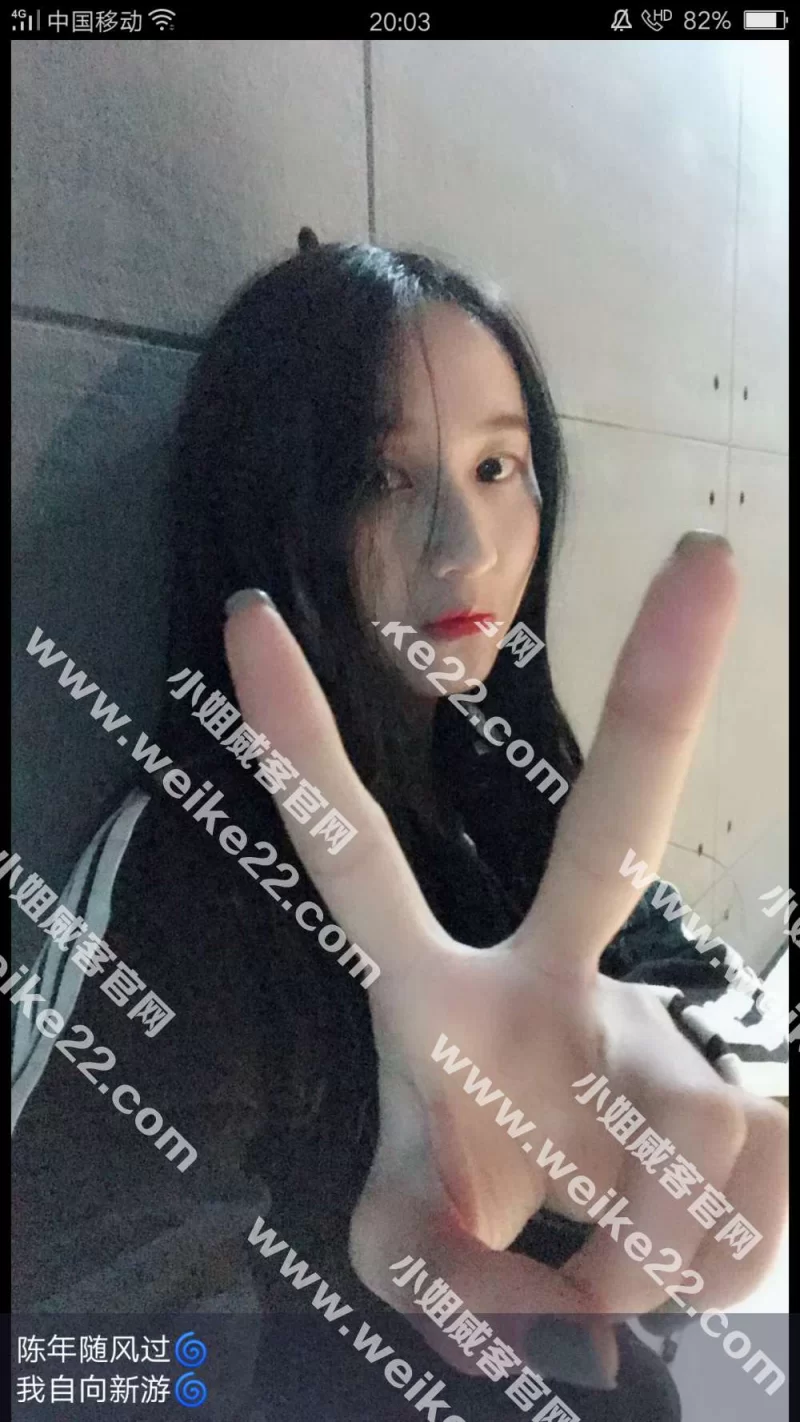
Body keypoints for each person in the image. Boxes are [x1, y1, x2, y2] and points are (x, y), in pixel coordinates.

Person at [11, 232, 788, 1422]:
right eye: (382, 479)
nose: (463, 547)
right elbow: (73, 1354)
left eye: (495, 468)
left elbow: (703, 997)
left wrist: (723, 1102)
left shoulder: (532, 794)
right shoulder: (189, 872)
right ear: (269, 503)